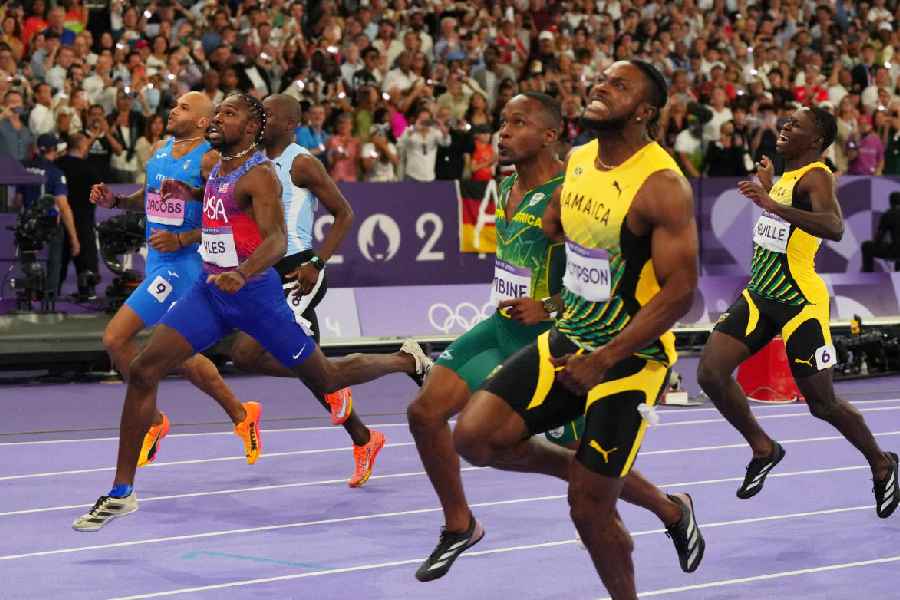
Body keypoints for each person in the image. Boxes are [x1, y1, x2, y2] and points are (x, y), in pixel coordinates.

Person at [73, 93, 433, 531]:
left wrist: (243, 272)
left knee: (329, 377)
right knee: (146, 369)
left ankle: (405, 359)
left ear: (249, 129)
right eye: (217, 111)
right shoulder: (211, 166)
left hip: (256, 295)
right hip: (211, 293)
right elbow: (215, 204)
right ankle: (121, 493)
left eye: (228, 114)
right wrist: (184, 192)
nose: (218, 119)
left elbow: (278, 240)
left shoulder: (262, 176)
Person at [409, 92, 705, 583]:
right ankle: (460, 525)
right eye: (501, 123)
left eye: (517, 123)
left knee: (587, 475)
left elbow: (602, 275)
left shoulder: (573, 187)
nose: (501, 132)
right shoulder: (504, 186)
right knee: (425, 413)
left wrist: (548, 307)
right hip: (500, 325)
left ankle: (669, 510)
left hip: (555, 333)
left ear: (550, 135)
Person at [697, 108, 899, 519]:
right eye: (785, 122)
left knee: (822, 404)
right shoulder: (789, 178)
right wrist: (772, 188)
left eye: (795, 126)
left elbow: (833, 226)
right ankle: (764, 447)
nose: (784, 127)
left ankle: (882, 463)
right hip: (759, 295)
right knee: (710, 375)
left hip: (798, 302)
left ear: (815, 141)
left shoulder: (818, 175)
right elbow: (784, 214)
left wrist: (770, 200)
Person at [88, 92, 257, 474]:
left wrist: (182, 238)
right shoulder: (162, 150)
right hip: (157, 262)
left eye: (182, 107)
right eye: (175, 105)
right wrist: (115, 202)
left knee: (115, 339)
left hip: (184, 267)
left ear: (201, 122)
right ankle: (241, 413)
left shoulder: (209, 159)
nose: (172, 110)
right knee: (177, 355)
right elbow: (148, 200)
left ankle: (153, 420)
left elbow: (228, 219)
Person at [230, 94, 386, 488]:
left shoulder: (301, 162)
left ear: (288, 124)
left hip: (296, 269)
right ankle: (365, 438)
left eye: (266, 115)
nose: (259, 120)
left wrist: (316, 263)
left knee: (256, 354)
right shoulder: (252, 161)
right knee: (280, 363)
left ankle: (401, 364)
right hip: (265, 268)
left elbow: (345, 214)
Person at [21, 133, 79, 302]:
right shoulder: (55, 173)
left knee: (28, 258)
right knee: (54, 261)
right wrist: (74, 238)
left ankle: (29, 293)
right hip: (48, 223)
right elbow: (63, 205)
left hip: (27, 222)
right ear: (53, 150)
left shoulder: (24, 168)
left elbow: (16, 200)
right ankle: (49, 296)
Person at [55, 132, 100, 300]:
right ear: (82, 146)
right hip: (83, 222)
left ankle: (52, 292)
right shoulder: (89, 170)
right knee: (86, 259)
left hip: (59, 220)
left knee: (58, 260)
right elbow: (99, 195)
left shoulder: (57, 165)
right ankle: (87, 292)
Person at [862, 192, 900, 272]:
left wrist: (879, 244)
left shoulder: (888, 215)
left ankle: (867, 274)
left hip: (894, 251)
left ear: (891, 202)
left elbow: (880, 236)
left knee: (866, 246)